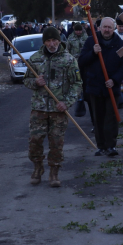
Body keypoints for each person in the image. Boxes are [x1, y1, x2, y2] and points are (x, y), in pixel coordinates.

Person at [23, 27, 82, 187]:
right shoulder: (35, 59)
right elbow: (26, 80)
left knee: (56, 143)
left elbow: (77, 84)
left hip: (59, 110)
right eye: (48, 41)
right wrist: (35, 82)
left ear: (59, 40)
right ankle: (37, 167)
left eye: (54, 40)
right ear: (44, 42)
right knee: (35, 140)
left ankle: (54, 171)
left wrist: (67, 102)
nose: (51, 44)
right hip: (39, 109)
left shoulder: (69, 60)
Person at [79, 17, 123, 157]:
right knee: (98, 117)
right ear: (99, 28)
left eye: (109, 27)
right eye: (104, 27)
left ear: (113, 28)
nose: (107, 30)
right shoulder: (91, 42)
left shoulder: (120, 44)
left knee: (111, 118)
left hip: (111, 88)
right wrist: (93, 53)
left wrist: (115, 80)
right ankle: (100, 146)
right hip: (95, 87)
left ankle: (111, 146)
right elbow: (82, 61)